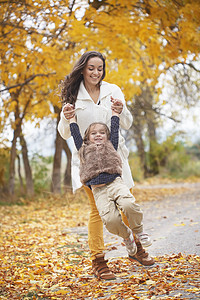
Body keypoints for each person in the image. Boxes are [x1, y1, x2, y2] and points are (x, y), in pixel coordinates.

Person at [58, 51, 154, 280]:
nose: (95, 72)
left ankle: (136, 248)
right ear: (82, 69)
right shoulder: (73, 96)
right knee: (97, 212)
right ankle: (99, 261)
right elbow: (64, 133)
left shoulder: (113, 90)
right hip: (89, 166)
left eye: (99, 68)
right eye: (91, 68)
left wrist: (122, 109)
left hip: (115, 161)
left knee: (127, 204)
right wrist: (65, 115)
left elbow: (127, 123)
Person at [69, 105, 152, 266]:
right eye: (94, 133)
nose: (98, 135)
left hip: (115, 183)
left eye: (102, 133)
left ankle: (139, 231)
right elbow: (74, 134)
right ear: (87, 137)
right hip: (98, 191)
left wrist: (115, 114)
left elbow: (115, 129)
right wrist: (72, 118)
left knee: (129, 204)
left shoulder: (111, 145)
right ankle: (127, 236)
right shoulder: (83, 149)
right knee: (111, 220)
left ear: (107, 137)